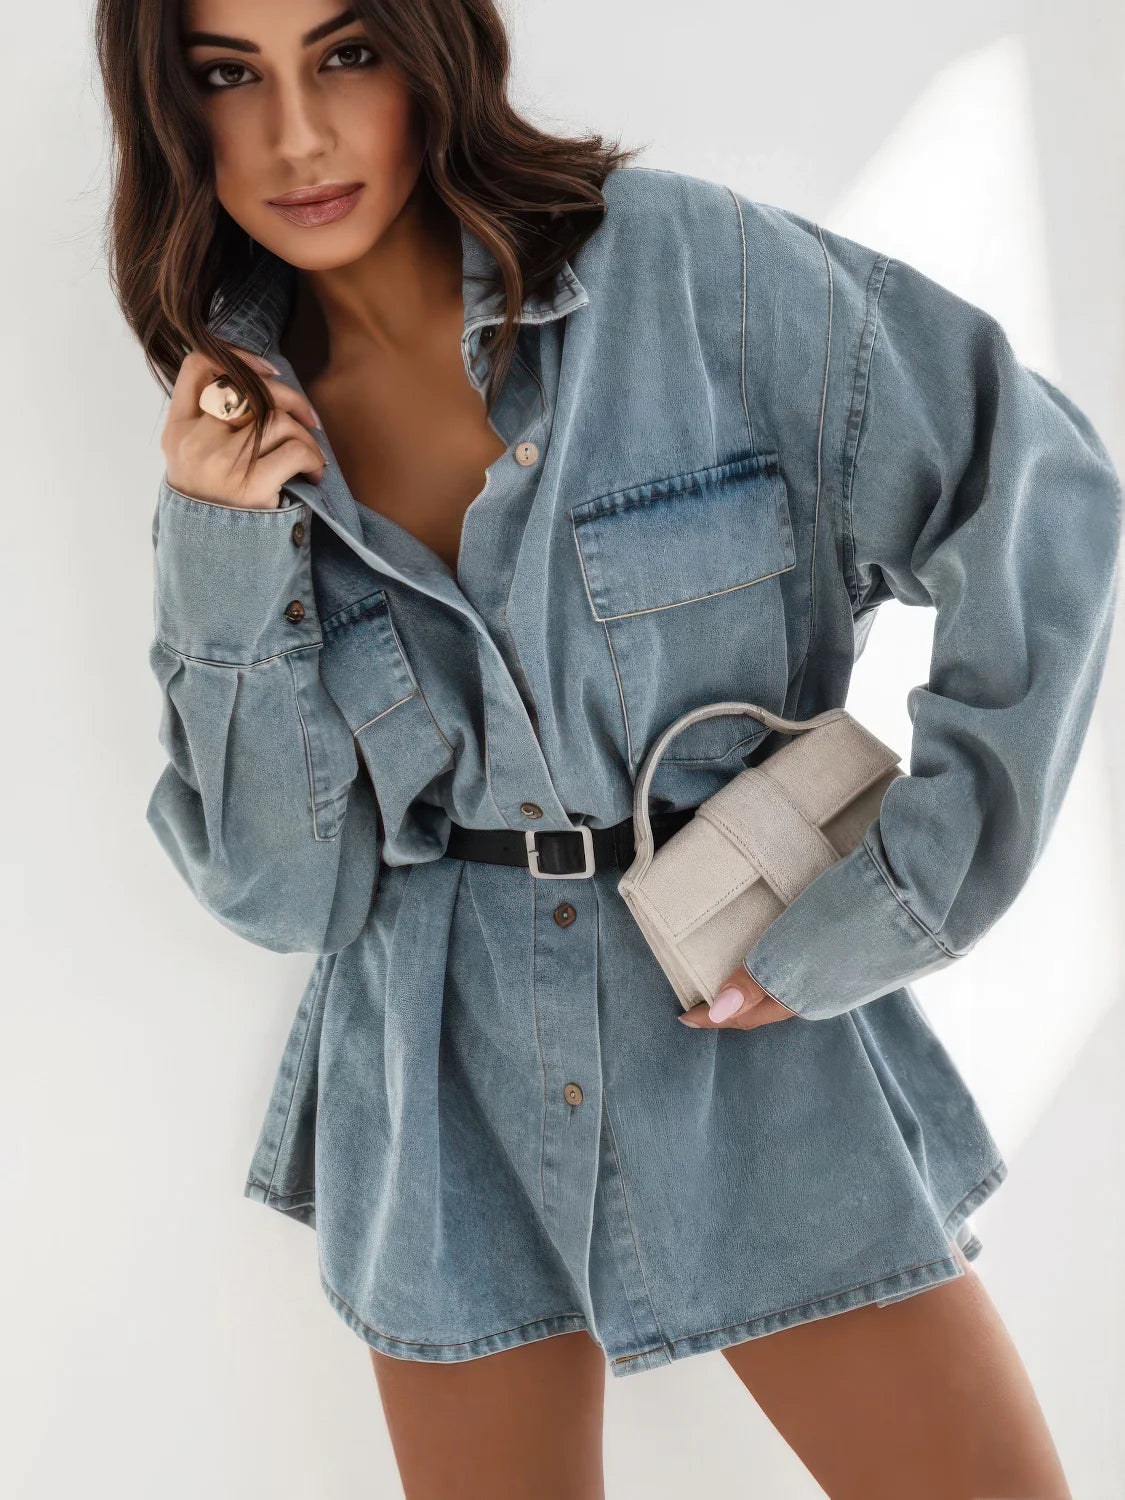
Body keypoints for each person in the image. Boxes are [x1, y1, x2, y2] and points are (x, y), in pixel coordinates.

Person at [95, 0, 1121, 1495]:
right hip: (436, 1082)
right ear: (169, 108)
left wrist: (900, 894)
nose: (297, 135)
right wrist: (220, 545)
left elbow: (1032, 496)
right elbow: (277, 894)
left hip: (738, 1010)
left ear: (432, 53)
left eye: (347, 54)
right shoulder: (243, 455)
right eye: (228, 76)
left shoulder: (688, 273)